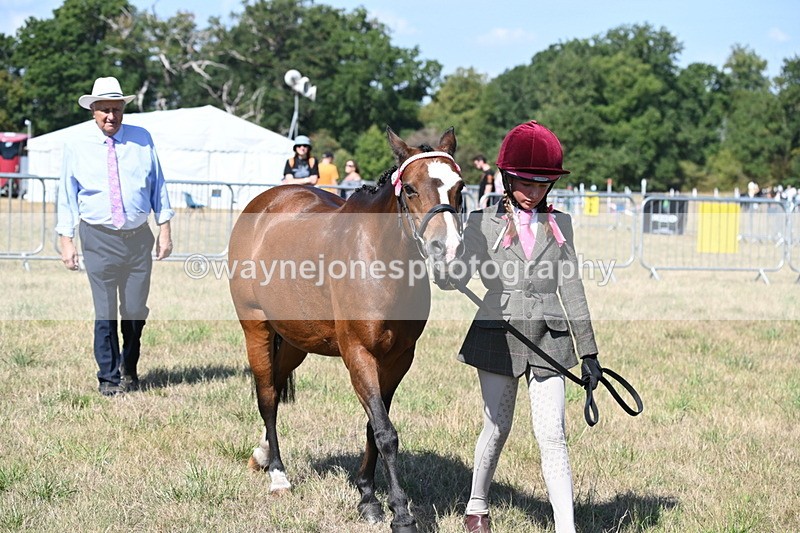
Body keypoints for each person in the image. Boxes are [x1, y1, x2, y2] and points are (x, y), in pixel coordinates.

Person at [447, 121, 602, 533]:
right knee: (497, 426)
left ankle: (565, 527)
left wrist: (589, 352)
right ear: (507, 176)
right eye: (527, 183)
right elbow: (454, 274)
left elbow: (572, 286)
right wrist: (450, 253)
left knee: (553, 434)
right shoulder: (482, 222)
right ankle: (476, 504)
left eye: (543, 184)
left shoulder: (561, 224)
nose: (535, 192)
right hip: (499, 334)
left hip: (549, 338)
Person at [56, 76, 174, 397]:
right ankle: (109, 379)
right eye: (104, 110)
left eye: (116, 109)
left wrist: (165, 228)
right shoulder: (76, 145)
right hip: (97, 238)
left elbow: (157, 185)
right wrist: (66, 239)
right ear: (93, 110)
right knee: (105, 310)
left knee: (135, 310)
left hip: (138, 238)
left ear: (124, 109)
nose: (111, 116)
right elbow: (66, 194)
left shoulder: (142, 139)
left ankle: (129, 367)